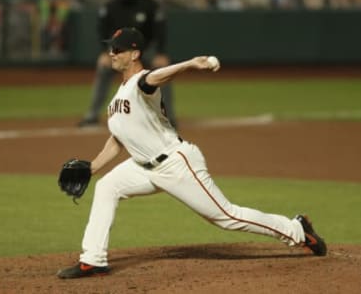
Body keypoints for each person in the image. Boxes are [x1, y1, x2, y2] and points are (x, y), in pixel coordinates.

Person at [57, 27, 327, 279]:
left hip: (176, 163)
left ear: (135, 54)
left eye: (118, 49)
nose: (112, 53)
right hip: (142, 167)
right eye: (111, 49)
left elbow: (156, 77)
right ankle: (93, 259)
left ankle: (297, 230)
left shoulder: (142, 82)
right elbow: (118, 139)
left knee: (227, 217)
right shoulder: (118, 98)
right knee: (107, 187)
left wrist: (189, 64)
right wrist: (92, 168)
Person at [78, 0, 177, 128]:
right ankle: (92, 115)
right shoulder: (111, 5)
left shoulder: (149, 4)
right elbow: (102, 29)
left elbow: (160, 30)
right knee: (103, 68)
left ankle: (167, 116)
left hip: (145, 50)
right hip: (120, 50)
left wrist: (160, 53)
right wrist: (104, 53)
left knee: (163, 71)